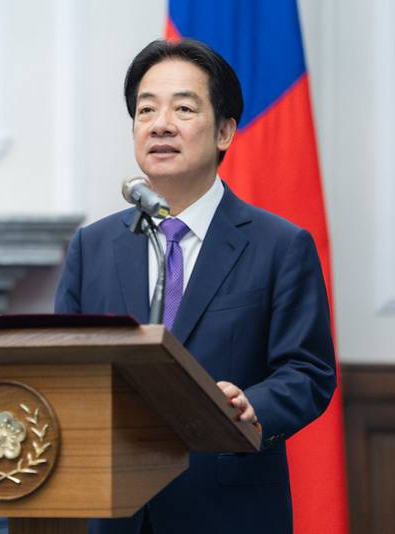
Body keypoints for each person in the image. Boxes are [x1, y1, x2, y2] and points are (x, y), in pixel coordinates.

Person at [54, 39, 336, 533]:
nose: (160, 124)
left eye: (183, 108)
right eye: (146, 110)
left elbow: (308, 371)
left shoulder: (280, 246)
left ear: (225, 130)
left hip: (227, 512)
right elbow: (62, 367)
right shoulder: (92, 247)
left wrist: (253, 406)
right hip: (113, 513)